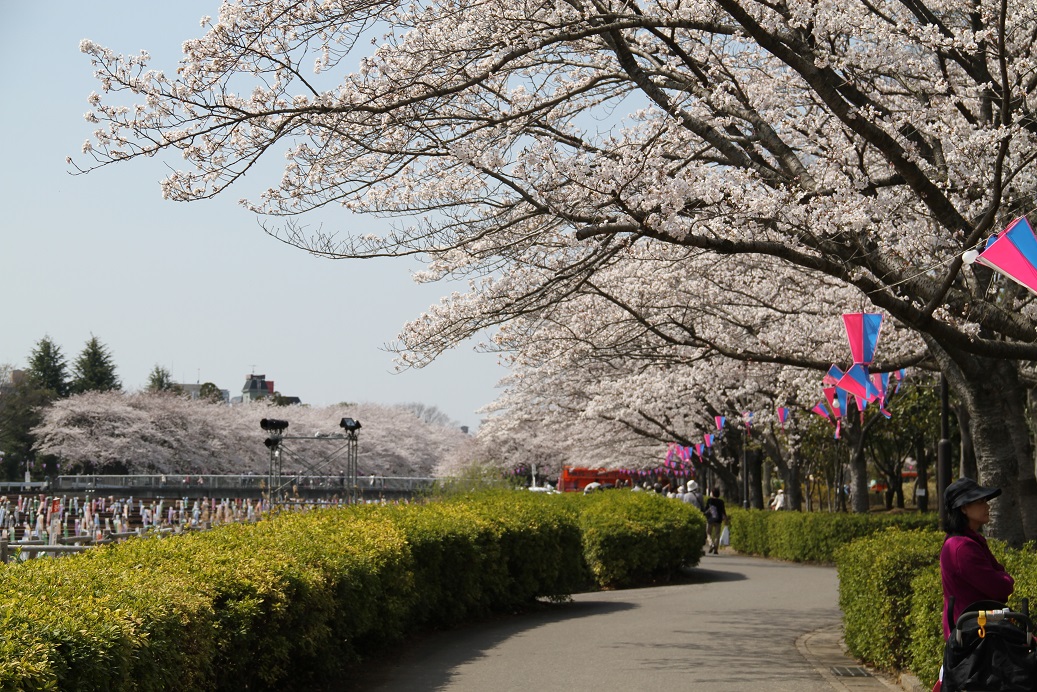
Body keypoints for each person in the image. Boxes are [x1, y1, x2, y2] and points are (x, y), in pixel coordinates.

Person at [940, 477, 1014, 640]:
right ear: (964, 508)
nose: (987, 506)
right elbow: (1000, 587)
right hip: (974, 635)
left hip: (976, 629)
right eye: (980, 502)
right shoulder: (962, 547)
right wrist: (1006, 578)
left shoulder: (966, 540)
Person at [704, 488, 727, 555]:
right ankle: (716, 549)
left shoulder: (709, 500)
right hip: (718, 519)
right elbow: (723, 511)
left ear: (712, 493)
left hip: (710, 519)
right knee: (717, 534)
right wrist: (725, 517)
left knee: (708, 533)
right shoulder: (721, 501)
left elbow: (706, 509)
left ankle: (711, 544)